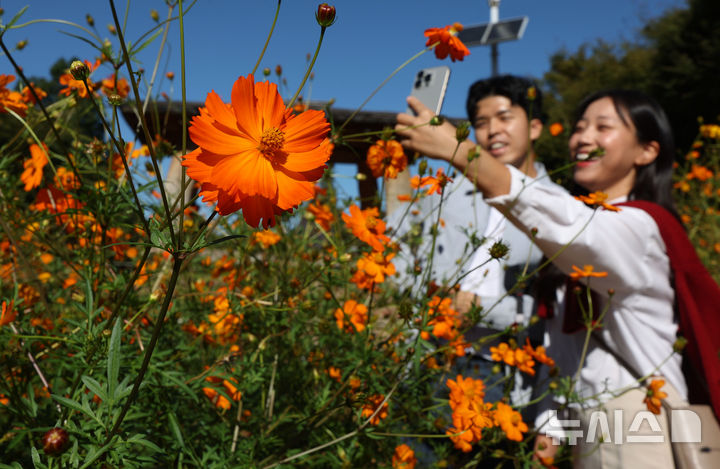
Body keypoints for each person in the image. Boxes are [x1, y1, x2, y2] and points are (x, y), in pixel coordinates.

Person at [395, 88, 687, 468]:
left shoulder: (638, 227)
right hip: (583, 414)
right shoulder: (588, 230)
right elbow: (565, 344)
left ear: (647, 151)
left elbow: (563, 220)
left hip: (635, 417)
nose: (583, 137)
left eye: (603, 127)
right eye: (579, 127)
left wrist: (460, 151)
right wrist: (550, 426)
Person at [388, 75, 551, 403]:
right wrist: (427, 297)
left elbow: (558, 313)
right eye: (481, 122)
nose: (492, 131)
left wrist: (488, 311)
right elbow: (394, 241)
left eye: (505, 118)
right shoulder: (445, 190)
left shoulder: (559, 209)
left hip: (507, 374)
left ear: (534, 127)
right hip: (432, 357)